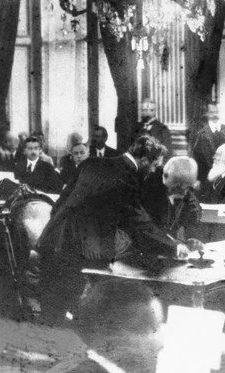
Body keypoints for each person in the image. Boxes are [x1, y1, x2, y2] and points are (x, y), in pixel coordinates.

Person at [34, 136, 194, 322]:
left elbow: (60, 204)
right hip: (82, 253)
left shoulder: (91, 163)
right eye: (153, 165)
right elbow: (138, 222)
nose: (152, 171)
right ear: (143, 160)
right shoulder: (126, 177)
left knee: (50, 316)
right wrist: (174, 246)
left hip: (52, 240)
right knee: (84, 317)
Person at [191, 103, 225, 183]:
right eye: (211, 112)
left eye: (216, 112)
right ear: (206, 114)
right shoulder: (201, 134)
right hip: (208, 178)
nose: (215, 115)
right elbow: (197, 159)